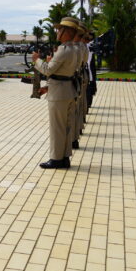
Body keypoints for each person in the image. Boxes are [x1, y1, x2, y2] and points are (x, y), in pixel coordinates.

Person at [33, 17, 80, 169]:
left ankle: (56, 158)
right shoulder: (75, 49)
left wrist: (37, 60)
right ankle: (64, 157)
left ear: (67, 32)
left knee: (57, 128)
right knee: (65, 127)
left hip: (59, 94)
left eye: (60, 29)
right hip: (68, 90)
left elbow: (48, 70)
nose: (57, 32)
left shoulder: (63, 50)